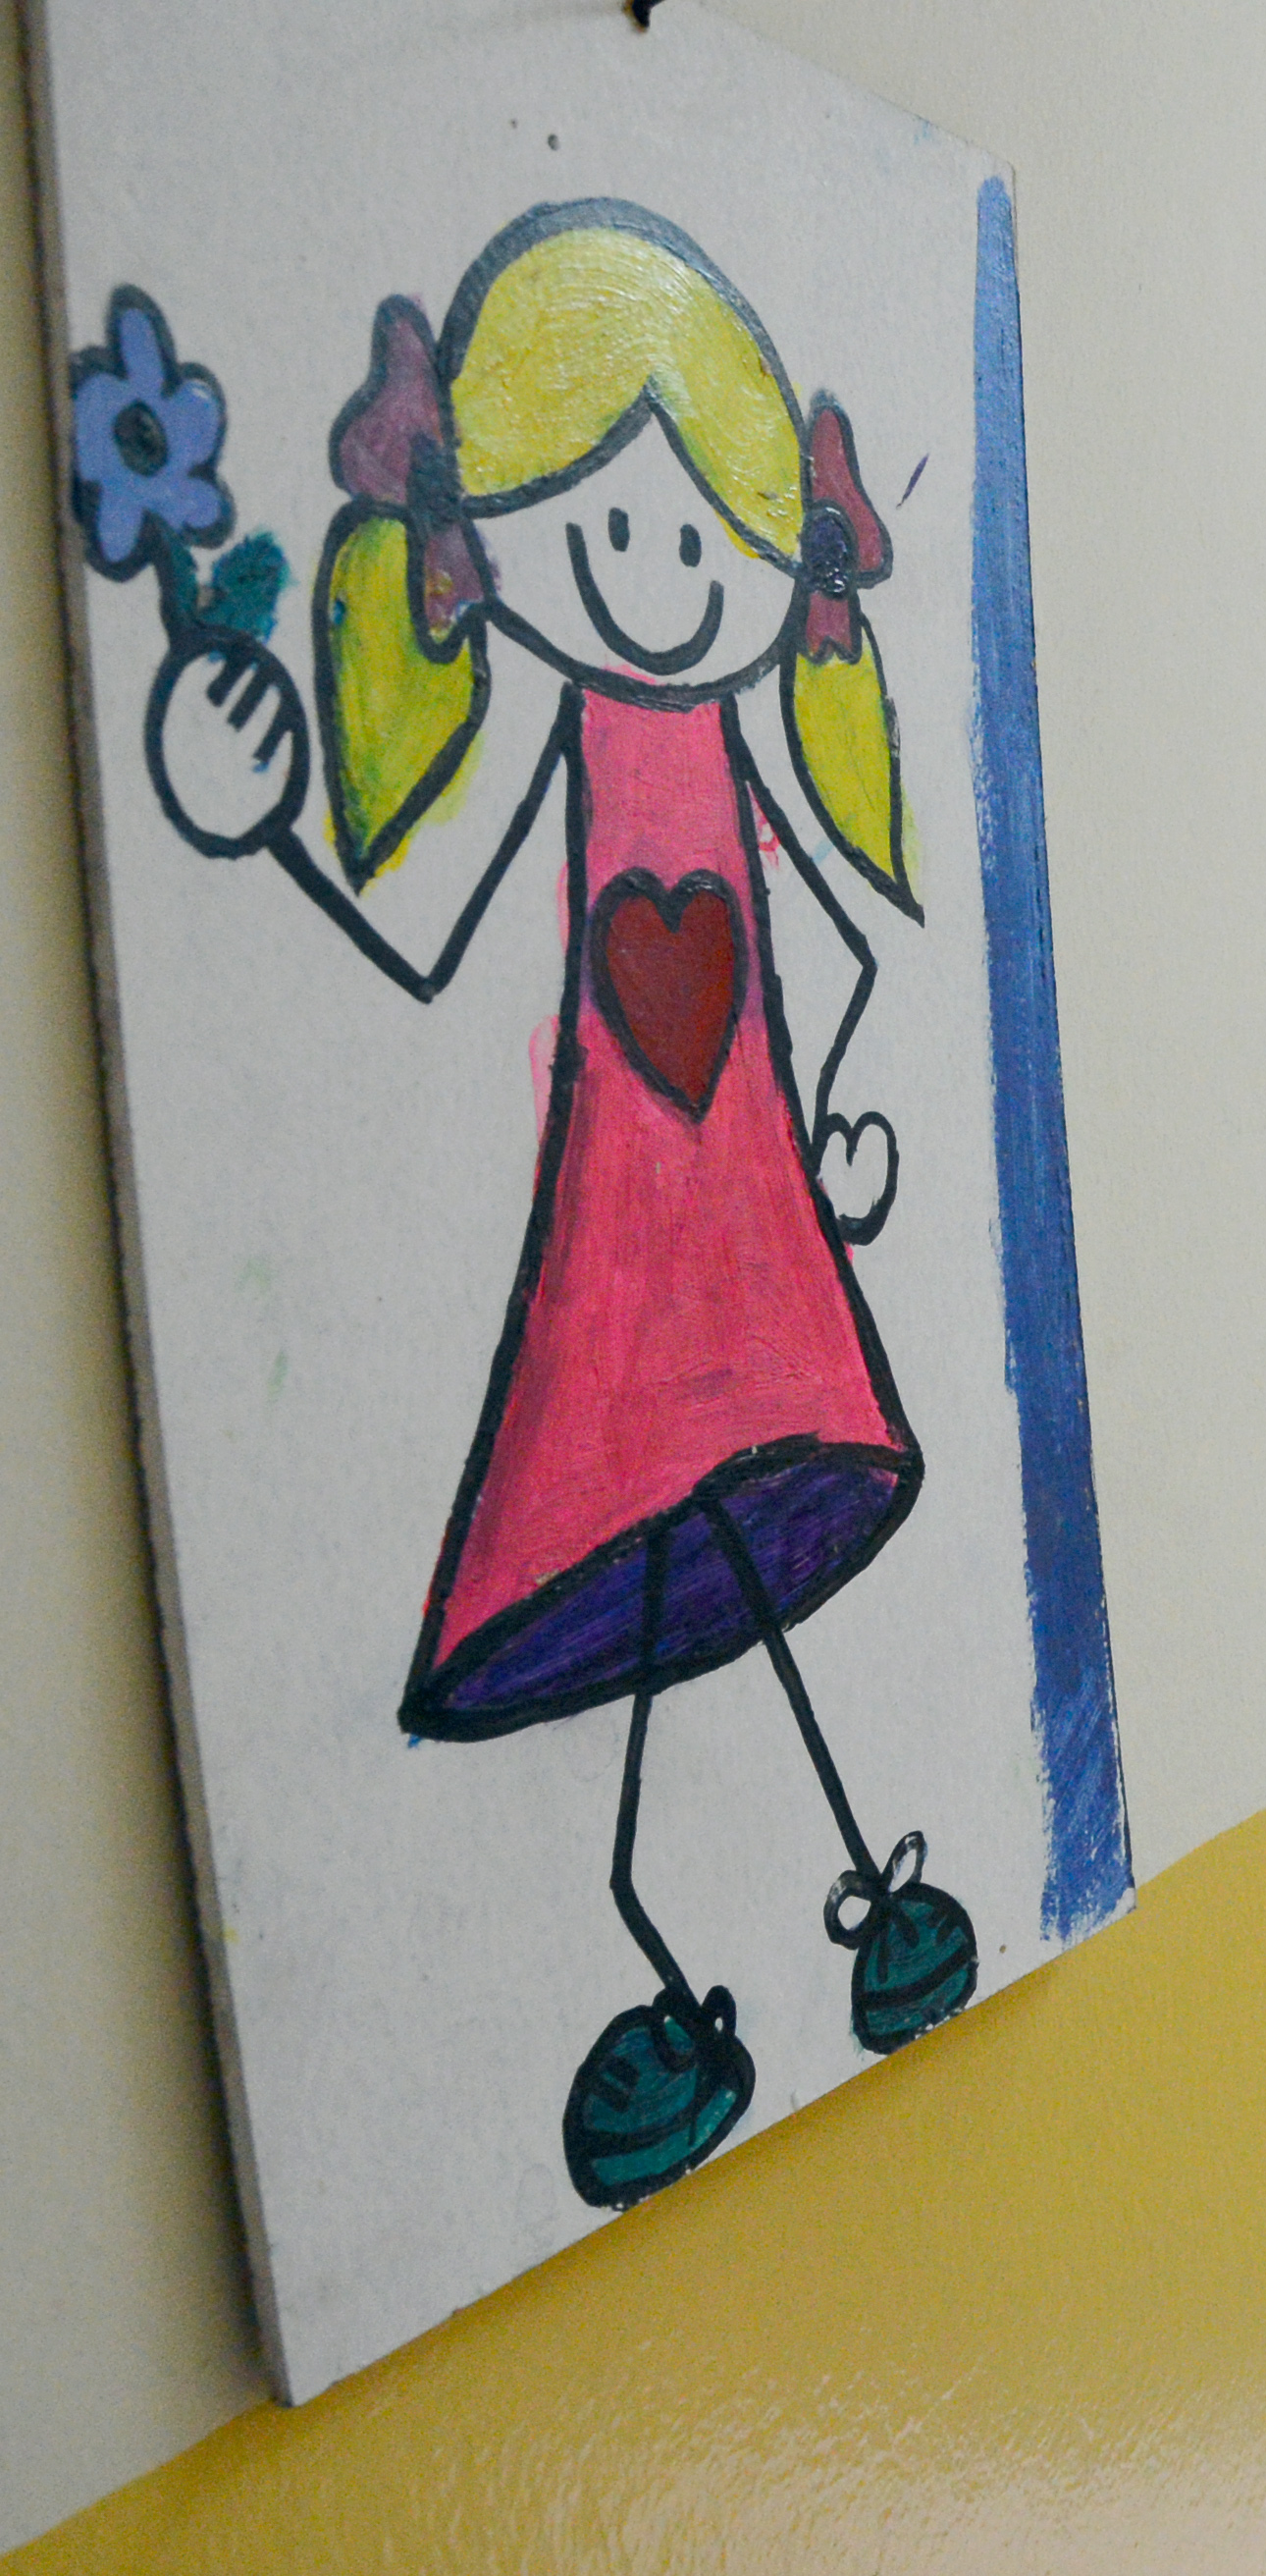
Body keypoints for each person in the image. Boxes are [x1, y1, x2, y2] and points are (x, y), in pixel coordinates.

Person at [146, 200, 969, 2209]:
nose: (663, 575)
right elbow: (425, 935)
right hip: (615, 1278)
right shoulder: (579, 729)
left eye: (707, 533)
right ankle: (661, 1961)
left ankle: (864, 1904)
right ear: (482, 532)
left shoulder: (723, 742)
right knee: (664, 1574)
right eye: (607, 517)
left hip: (752, 1243)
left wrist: (847, 1120)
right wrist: (265, 826)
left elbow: (850, 953)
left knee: (732, 1564)